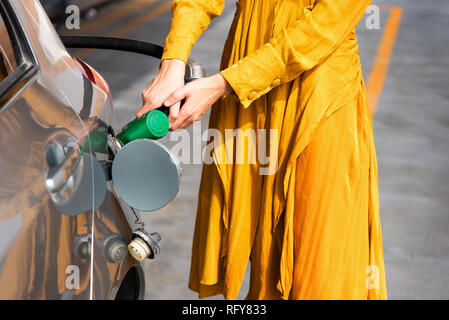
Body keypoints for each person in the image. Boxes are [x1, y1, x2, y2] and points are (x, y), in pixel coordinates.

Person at [137, 0, 387, 300]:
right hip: (247, 92)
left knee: (318, 253)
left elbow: (323, 27)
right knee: (263, 249)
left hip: (316, 98)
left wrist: (223, 84)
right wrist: (173, 62)